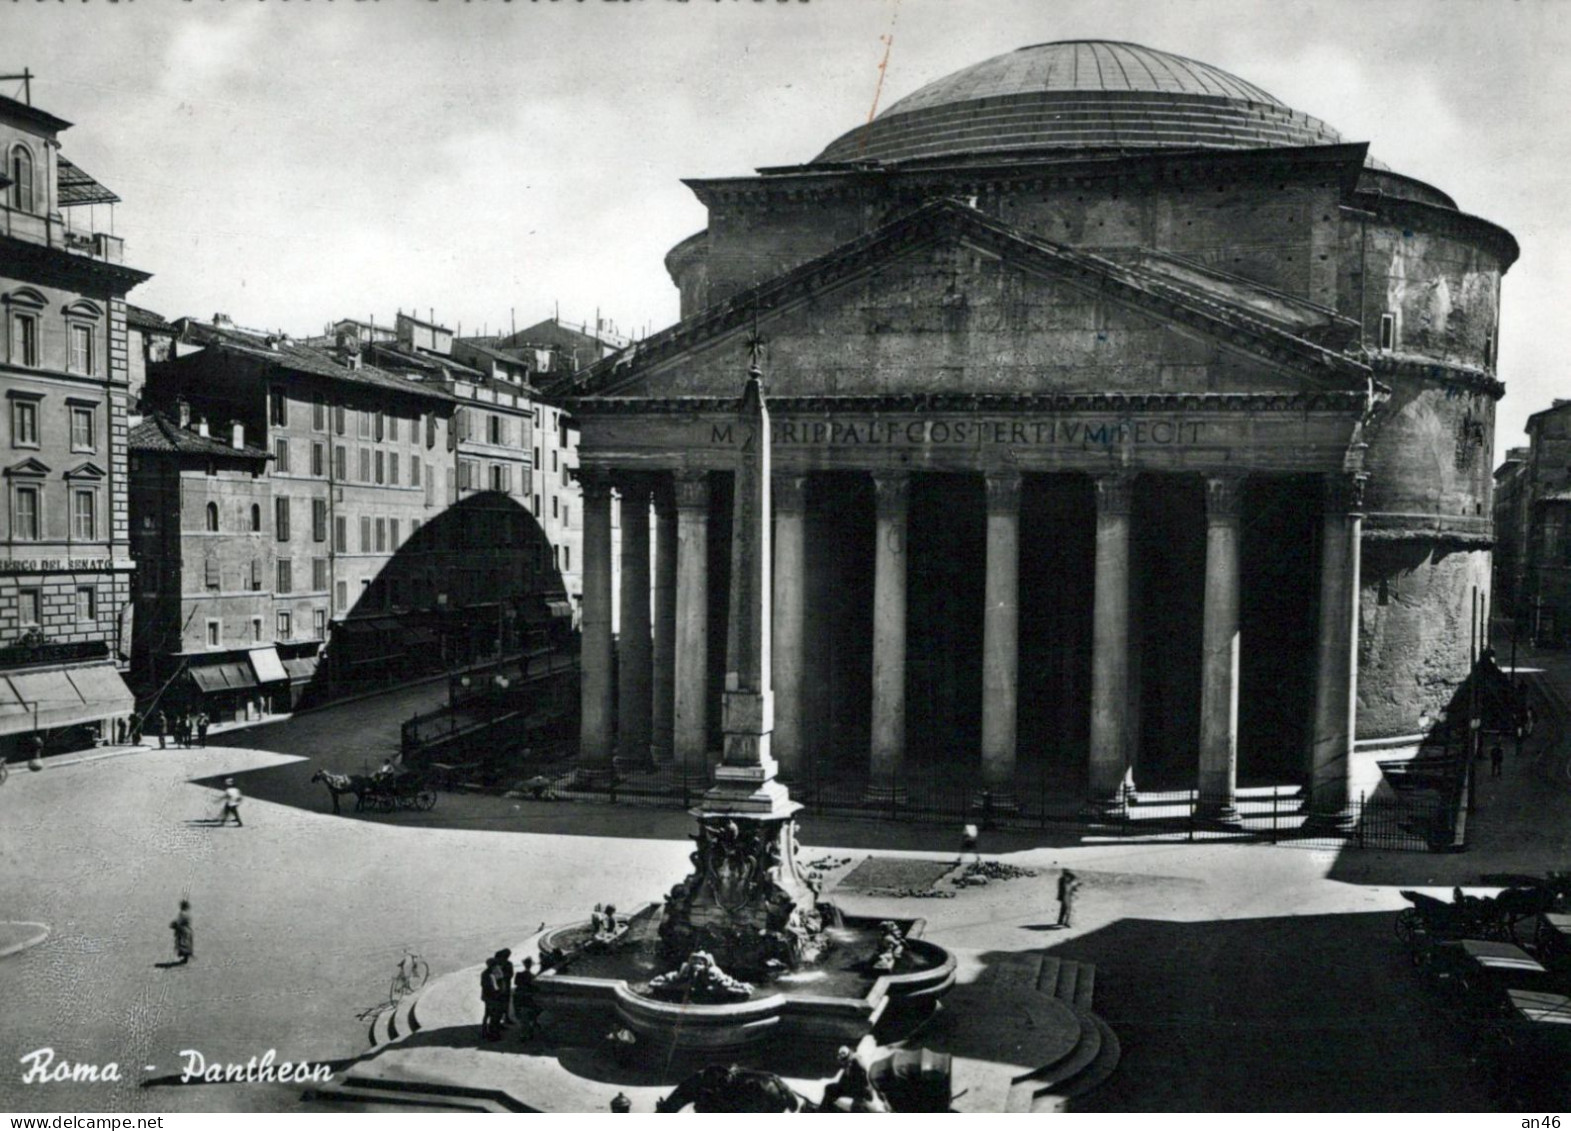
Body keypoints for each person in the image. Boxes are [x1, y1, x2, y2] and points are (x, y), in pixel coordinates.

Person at [821, 1046, 887, 1112]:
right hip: (852, 1088)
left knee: (832, 1090)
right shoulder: (848, 1065)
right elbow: (843, 1081)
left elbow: (864, 1073)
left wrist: (868, 1090)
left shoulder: (855, 1060)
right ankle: (826, 1109)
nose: (842, 1062)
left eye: (843, 1059)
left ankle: (826, 1109)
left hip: (861, 1091)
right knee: (830, 1088)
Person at [479, 956, 508, 1041]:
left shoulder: (484, 973)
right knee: (494, 1017)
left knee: (487, 1015)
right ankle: (493, 1034)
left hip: (486, 997)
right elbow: (496, 988)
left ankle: (484, 1032)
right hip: (493, 998)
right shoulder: (492, 975)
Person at [512, 958, 539, 1040]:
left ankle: (523, 1034)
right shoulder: (533, 976)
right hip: (528, 997)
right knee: (530, 1015)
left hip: (519, 995)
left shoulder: (519, 974)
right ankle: (529, 1032)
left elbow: (516, 983)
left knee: (522, 1016)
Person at [170, 900, 194, 964]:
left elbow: (179, 922)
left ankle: (185, 958)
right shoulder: (187, 913)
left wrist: (174, 925)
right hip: (187, 930)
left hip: (183, 931)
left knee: (183, 943)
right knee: (186, 943)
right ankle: (185, 957)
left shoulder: (182, 913)